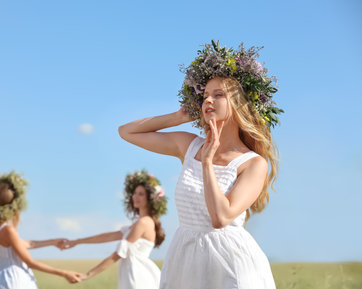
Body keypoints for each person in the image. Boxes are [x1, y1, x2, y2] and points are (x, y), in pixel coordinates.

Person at [118, 41, 282, 289]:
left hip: (230, 264)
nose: (208, 100)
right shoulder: (188, 146)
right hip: (185, 259)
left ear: (239, 104)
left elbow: (221, 217)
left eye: (218, 95)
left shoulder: (253, 164)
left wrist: (207, 163)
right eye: (204, 95)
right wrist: (177, 117)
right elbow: (126, 132)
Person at [59, 170, 167, 289]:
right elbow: (107, 237)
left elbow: (117, 254)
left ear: (150, 199)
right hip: (131, 273)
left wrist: (87, 275)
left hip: (137, 276)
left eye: (141, 194)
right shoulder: (139, 223)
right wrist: (76, 241)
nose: (135, 197)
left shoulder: (143, 223)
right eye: (135, 193)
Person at [0, 171, 82, 288]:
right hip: (14, 282)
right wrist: (64, 273)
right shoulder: (8, 230)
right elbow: (30, 262)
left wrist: (53, 242)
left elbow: (26, 244)